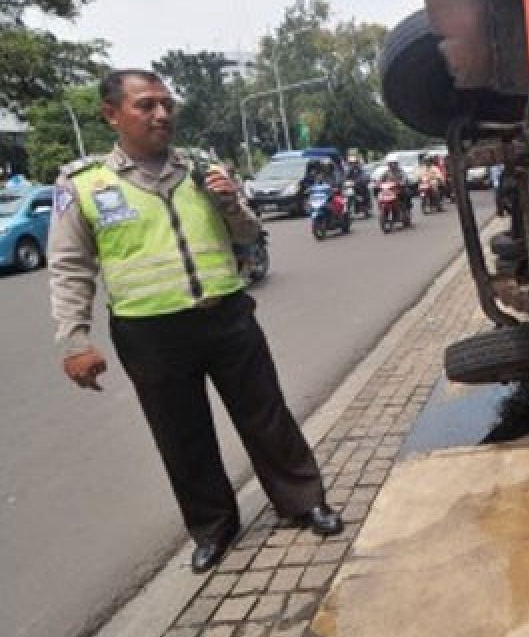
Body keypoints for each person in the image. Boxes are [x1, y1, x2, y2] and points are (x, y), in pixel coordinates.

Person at [47, 69, 342, 574]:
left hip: (226, 315)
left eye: (166, 104)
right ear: (111, 114)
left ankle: (302, 500)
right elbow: (70, 266)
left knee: (266, 414)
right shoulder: (84, 184)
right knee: (181, 436)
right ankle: (213, 528)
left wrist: (228, 202)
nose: (161, 114)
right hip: (149, 331)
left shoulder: (204, 169)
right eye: (146, 105)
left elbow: (250, 234)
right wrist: (75, 340)